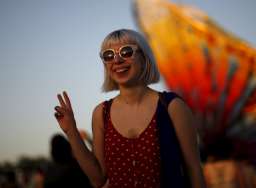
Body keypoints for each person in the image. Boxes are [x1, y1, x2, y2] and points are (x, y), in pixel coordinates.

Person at [54, 29, 206, 188]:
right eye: (108, 55)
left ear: (144, 57)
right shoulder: (101, 113)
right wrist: (71, 131)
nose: (117, 60)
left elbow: (194, 169)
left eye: (126, 52)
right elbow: (98, 178)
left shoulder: (172, 106)